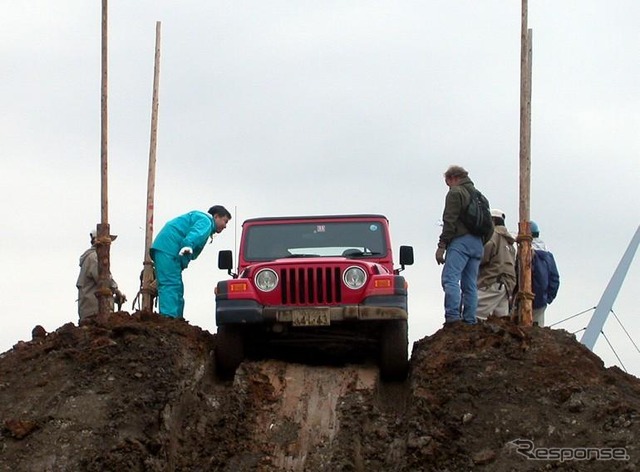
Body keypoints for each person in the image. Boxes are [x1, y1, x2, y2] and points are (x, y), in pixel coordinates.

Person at [150, 205, 231, 318]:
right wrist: (188, 245)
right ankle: (168, 318)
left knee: (176, 286)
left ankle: (176, 320)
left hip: (168, 249)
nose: (225, 226)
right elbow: (195, 234)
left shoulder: (200, 218)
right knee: (171, 285)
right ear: (216, 216)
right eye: (225, 221)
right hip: (169, 249)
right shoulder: (206, 221)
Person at [436, 165, 487, 326]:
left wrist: (442, 245)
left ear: (453, 178)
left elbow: (449, 220)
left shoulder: (455, 192)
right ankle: (470, 320)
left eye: (447, 182)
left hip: (460, 242)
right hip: (478, 243)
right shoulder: (480, 196)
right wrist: (481, 242)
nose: (448, 186)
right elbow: (490, 227)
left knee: (450, 279)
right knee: (470, 284)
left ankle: (453, 318)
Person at [76, 230, 126, 323]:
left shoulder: (92, 257)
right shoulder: (94, 258)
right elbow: (103, 280)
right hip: (94, 313)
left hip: (90, 311)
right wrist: (116, 290)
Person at [476, 209, 516, 320]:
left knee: (474, 314)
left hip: (492, 281)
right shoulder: (509, 243)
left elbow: (482, 257)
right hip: (507, 286)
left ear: (492, 220)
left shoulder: (493, 236)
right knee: (502, 320)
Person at [530, 220, 560, 326]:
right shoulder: (548, 255)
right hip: (541, 301)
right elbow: (555, 279)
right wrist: (547, 298)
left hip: (525, 300)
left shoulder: (526, 253)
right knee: (538, 332)